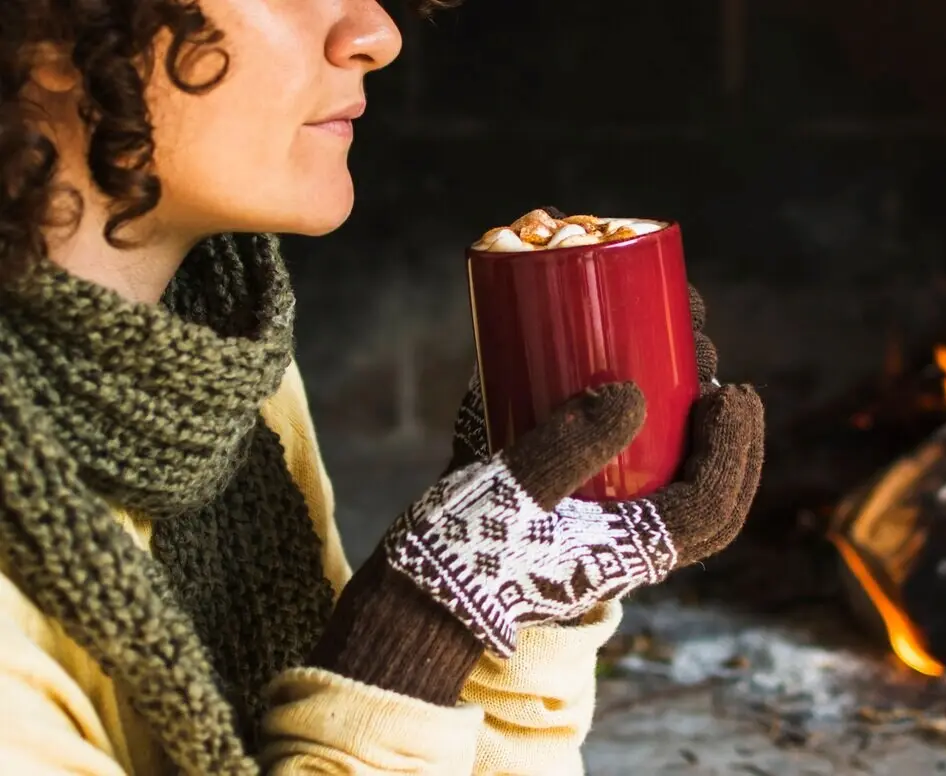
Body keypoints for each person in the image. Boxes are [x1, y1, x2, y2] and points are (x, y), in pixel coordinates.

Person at [0, 0, 766, 772]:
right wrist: (416, 628)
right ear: (44, 29)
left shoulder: (217, 355)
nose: (378, 34)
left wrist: (518, 606)